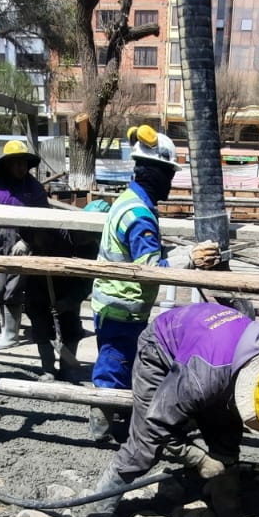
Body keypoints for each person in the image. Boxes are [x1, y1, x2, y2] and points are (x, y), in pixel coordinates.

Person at [91, 301, 259, 517]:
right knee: (144, 447)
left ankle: (224, 503)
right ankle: (96, 513)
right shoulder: (201, 380)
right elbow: (155, 423)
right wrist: (198, 459)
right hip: (161, 343)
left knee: (226, 432)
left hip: (213, 343)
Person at [87, 125, 175, 441]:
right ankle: (101, 423)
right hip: (122, 306)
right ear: (153, 173)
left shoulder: (128, 200)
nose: (171, 182)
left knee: (122, 361)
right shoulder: (139, 213)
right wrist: (188, 257)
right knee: (113, 364)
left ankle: (115, 414)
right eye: (169, 174)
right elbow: (151, 267)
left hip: (112, 302)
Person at [0, 140, 47, 354]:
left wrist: (27, 241)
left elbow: (46, 219)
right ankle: (4, 328)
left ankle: (11, 335)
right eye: (16, 163)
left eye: (24, 163)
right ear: (6, 164)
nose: (21, 168)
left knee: (12, 290)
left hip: (21, 245)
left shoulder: (33, 188)